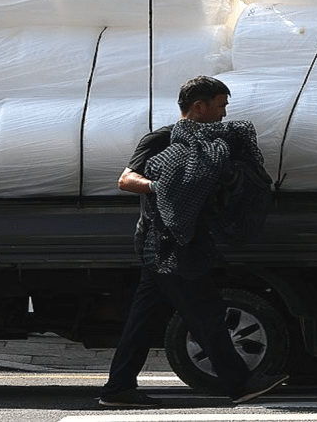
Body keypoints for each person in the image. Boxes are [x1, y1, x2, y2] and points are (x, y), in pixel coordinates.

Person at [99, 76, 287, 408]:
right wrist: (164, 187)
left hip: (185, 239)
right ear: (199, 107)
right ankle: (239, 383)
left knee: (143, 319)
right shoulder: (162, 140)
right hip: (163, 242)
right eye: (219, 106)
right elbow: (126, 180)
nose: (223, 114)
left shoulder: (214, 143)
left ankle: (118, 388)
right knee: (205, 311)